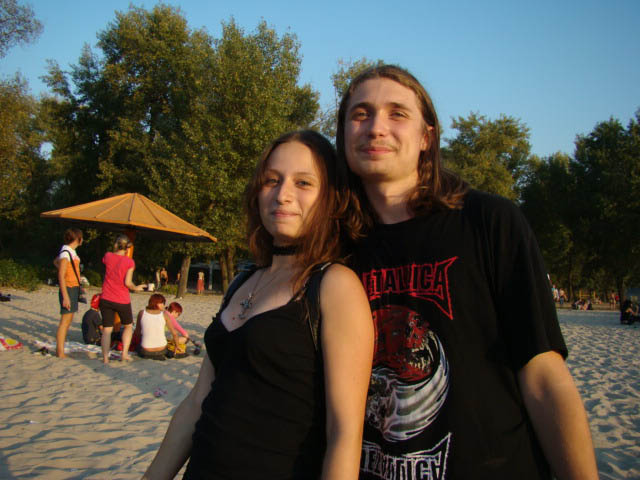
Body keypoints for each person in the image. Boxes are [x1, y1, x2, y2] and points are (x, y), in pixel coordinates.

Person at [336, 65, 598, 479]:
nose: (376, 127)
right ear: (343, 134)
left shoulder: (490, 222)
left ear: (427, 137)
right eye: (361, 114)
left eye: (397, 113)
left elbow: (543, 373)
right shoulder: (334, 246)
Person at [143, 130, 374, 479]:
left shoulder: (334, 285)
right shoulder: (243, 281)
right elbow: (197, 402)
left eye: (303, 183)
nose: (283, 195)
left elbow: (343, 432)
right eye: (271, 180)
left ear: (331, 199)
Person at [99, 234, 146, 364]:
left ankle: (105, 358)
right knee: (128, 326)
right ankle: (124, 354)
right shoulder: (129, 262)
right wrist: (136, 288)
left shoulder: (108, 256)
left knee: (107, 329)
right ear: (127, 248)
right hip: (122, 298)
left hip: (106, 296)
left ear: (116, 244)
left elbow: (107, 264)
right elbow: (128, 283)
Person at [54, 228, 83, 358]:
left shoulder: (69, 251)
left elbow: (56, 262)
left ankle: (61, 349)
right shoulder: (66, 252)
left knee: (68, 319)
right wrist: (65, 296)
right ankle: (60, 351)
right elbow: (61, 275)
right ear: (78, 239)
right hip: (68, 288)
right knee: (65, 321)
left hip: (73, 287)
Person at [134, 293, 179, 360]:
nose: (164, 305)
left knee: (138, 347)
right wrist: (177, 345)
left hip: (146, 350)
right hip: (162, 349)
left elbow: (137, 332)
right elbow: (174, 334)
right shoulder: (165, 315)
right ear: (156, 303)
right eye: (162, 303)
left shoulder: (141, 313)